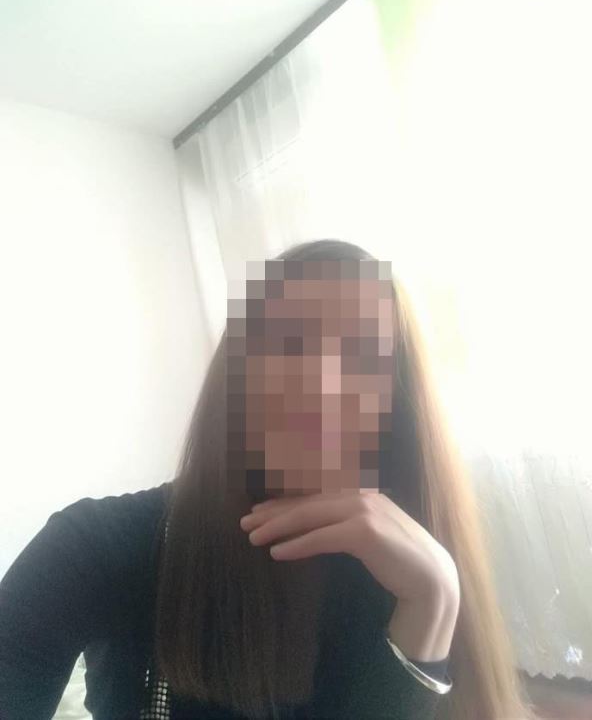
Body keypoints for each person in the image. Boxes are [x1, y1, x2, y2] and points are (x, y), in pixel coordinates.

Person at [0, 239, 536, 719]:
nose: (322, 384)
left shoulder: (410, 564)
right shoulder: (94, 547)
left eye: (361, 356)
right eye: (289, 343)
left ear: (396, 402)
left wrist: (433, 599)